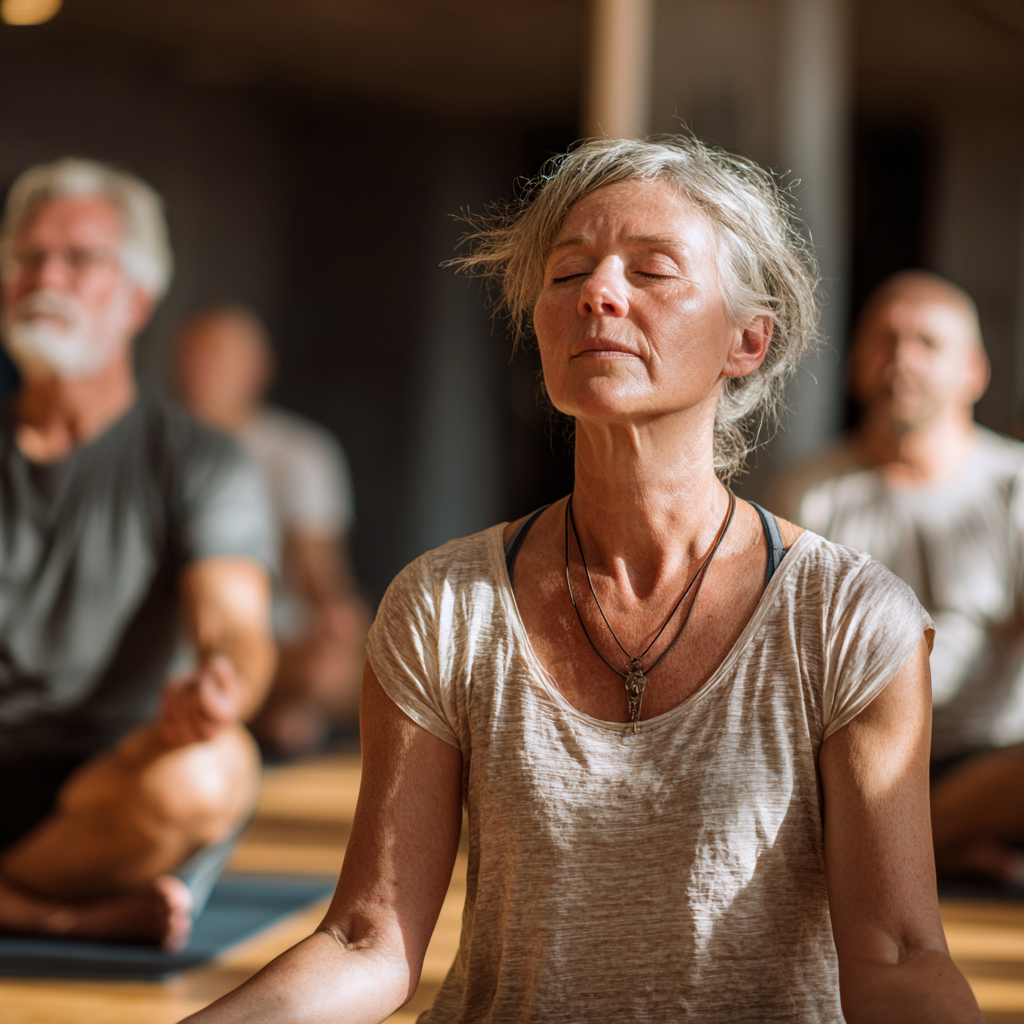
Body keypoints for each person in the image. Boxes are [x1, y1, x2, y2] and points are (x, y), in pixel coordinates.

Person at [184, 136, 981, 1023]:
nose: (598, 293)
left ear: (747, 339)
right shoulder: (442, 605)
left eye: (653, 271)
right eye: (568, 274)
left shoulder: (850, 617)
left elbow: (900, 956)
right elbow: (369, 942)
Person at [0, 159, 276, 951]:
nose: (44, 276)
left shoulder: (201, 460)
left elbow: (234, 623)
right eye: (26, 258)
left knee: (215, 770)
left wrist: (225, 679)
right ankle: (53, 915)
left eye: (78, 260)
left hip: (106, 785)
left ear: (138, 298)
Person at [771, 270, 1024, 886]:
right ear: (855, 367)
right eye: (884, 340)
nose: (902, 358)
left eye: (928, 343)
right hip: (856, 762)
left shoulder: (1013, 486)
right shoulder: (808, 496)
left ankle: (899, 843)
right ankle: (936, 847)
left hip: (987, 765)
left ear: (974, 371)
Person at [174, 306, 368, 757]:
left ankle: (240, 709)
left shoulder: (300, 452)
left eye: (216, 355)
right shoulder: (156, 450)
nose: (199, 369)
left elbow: (322, 570)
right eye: (190, 355)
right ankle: (259, 714)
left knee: (351, 661)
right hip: (177, 642)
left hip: (269, 642)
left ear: (259, 369)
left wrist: (336, 612)